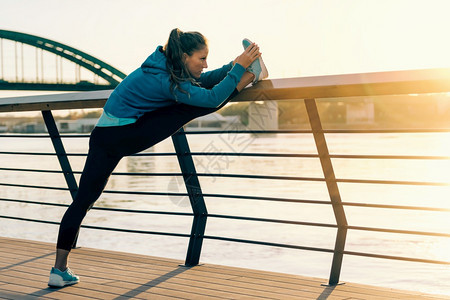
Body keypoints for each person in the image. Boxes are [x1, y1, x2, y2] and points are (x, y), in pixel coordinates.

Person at [48, 28, 268, 287]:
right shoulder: (166, 81)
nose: (205, 64)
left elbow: (204, 80)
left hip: (103, 137)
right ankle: (254, 74)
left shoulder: (164, 68)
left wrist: (234, 65)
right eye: (201, 58)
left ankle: (58, 271)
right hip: (124, 134)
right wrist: (240, 69)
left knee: (82, 201)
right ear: (185, 56)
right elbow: (211, 97)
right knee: (190, 107)